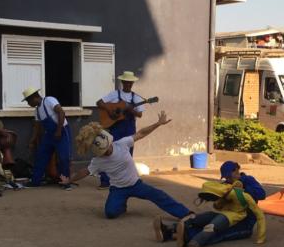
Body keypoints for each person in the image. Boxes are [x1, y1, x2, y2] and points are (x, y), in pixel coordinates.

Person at [62, 111, 194, 221]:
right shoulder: (98, 161)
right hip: (118, 189)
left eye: (107, 149)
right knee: (110, 213)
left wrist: (158, 124)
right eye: (103, 152)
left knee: (159, 195)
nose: (107, 152)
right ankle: (121, 204)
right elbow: (84, 172)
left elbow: (141, 133)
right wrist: (69, 180)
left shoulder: (122, 143)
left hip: (136, 185)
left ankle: (186, 213)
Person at [152, 161, 267, 244]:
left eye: (229, 176)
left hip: (244, 223)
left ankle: (187, 237)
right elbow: (218, 205)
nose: (227, 179)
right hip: (228, 215)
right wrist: (213, 197)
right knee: (204, 218)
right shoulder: (226, 184)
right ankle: (170, 230)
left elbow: (261, 194)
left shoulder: (248, 180)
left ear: (237, 170)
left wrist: (242, 190)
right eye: (225, 177)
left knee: (215, 230)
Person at [172, 179, 266, 247]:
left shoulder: (244, 196)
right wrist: (221, 201)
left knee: (212, 227)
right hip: (222, 213)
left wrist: (261, 237)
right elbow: (217, 207)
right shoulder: (226, 190)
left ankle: (194, 241)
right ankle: (171, 229)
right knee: (196, 218)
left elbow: (260, 215)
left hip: (233, 217)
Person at [96, 71, 145, 188]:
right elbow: (99, 103)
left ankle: (125, 181)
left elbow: (139, 115)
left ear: (132, 83)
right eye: (126, 82)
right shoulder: (114, 94)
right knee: (109, 151)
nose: (128, 84)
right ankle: (105, 181)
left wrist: (130, 109)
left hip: (129, 128)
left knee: (127, 154)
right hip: (116, 127)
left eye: (130, 83)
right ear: (122, 82)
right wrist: (109, 110)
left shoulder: (137, 98)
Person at [22, 87, 72, 190]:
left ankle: (65, 182)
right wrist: (32, 140)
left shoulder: (49, 100)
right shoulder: (37, 111)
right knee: (41, 156)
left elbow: (61, 113)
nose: (28, 104)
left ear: (34, 97)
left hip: (61, 131)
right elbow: (37, 126)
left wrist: (58, 131)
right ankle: (35, 181)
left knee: (64, 158)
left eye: (28, 101)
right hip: (49, 135)